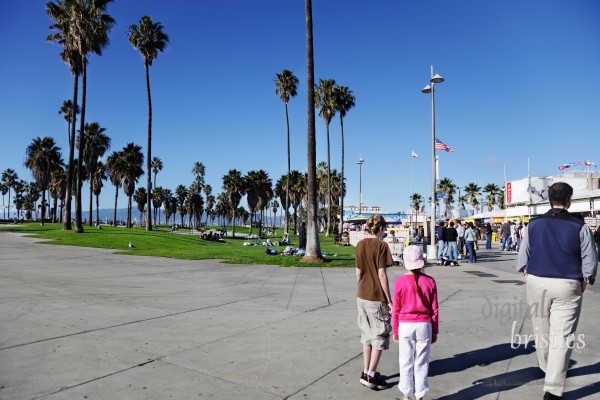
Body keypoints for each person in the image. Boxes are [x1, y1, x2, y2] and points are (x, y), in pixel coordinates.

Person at [516, 182, 597, 400]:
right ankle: (552, 389)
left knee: (540, 329)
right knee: (562, 336)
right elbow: (590, 256)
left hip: (537, 280)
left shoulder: (533, 224)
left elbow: (524, 253)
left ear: (549, 199)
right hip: (568, 283)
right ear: (569, 200)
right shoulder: (579, 226)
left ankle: (546, 366)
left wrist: (526, 272)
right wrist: (586, 279)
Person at [392, 245, 439, 400]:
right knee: (422, 362)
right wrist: (434, 330)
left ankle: (406, 395)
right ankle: (420, 395)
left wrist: (395, 330)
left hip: (405, 325)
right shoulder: (430, 281)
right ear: (422, 262)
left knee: (405, 361)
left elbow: (396, 310)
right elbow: (434, 309)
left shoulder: (399, 282)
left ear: (405, 262)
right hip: (425, 325)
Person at [356, 214, 394, 390]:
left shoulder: (360, 245)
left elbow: (358, 273)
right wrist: (389, 299)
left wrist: (363, 285)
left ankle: (366, 370)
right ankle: (371, 375)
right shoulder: (381, 245)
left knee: (366, 334)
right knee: (379, 335)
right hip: (376, 297)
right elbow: (382, 274)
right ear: (380, 229)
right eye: (384, 229)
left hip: (361, 295)